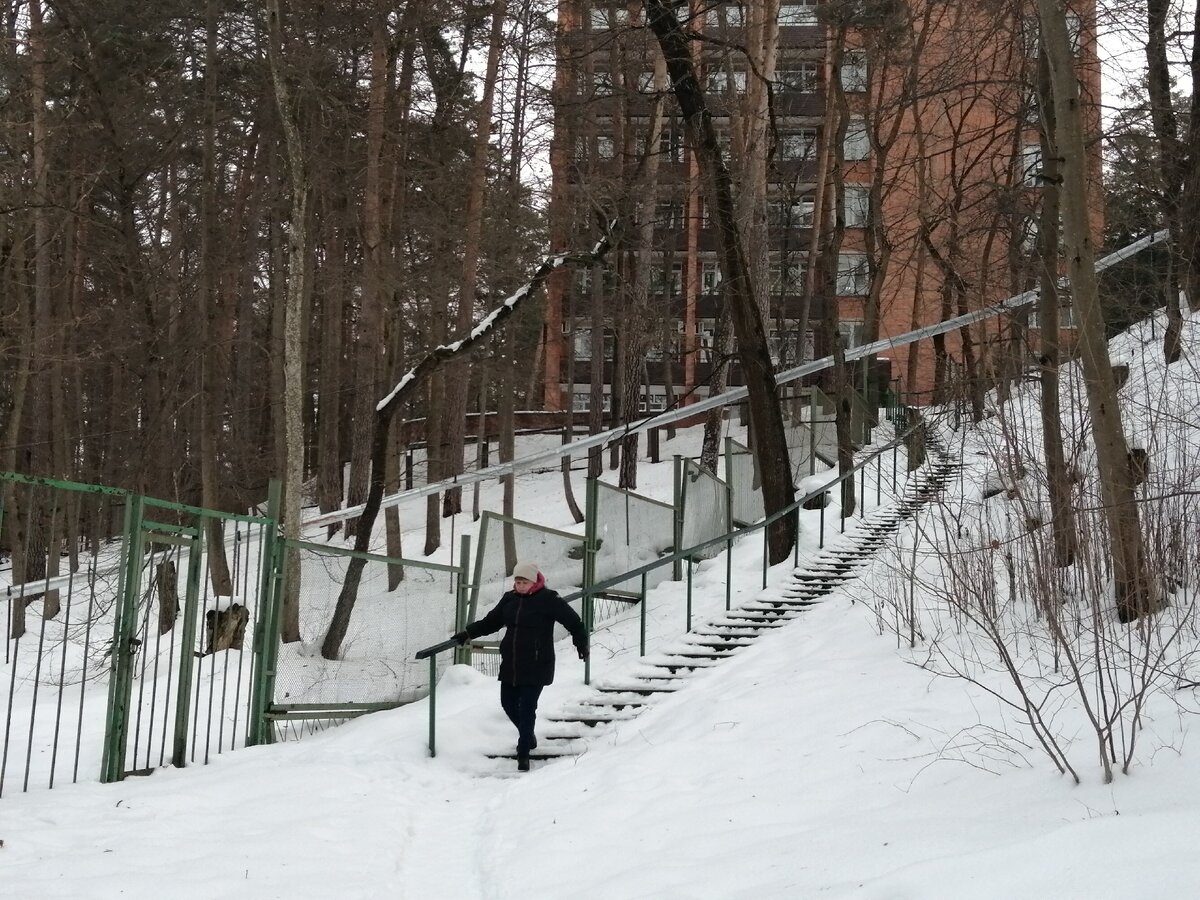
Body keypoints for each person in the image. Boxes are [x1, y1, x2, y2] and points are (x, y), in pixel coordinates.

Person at [454, 561, 588, 771]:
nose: (520, 585)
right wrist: (467, 633)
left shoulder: (548, 599)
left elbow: (573, 622)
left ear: (534, 581)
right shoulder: (510, 599)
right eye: (517, 581)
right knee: (507, 704)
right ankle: (528, 735)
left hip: (537, 663)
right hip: (512, 663)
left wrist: (581, 643)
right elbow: (491, 622)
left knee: (527, 708)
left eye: (524, 581)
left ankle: (523, 751)